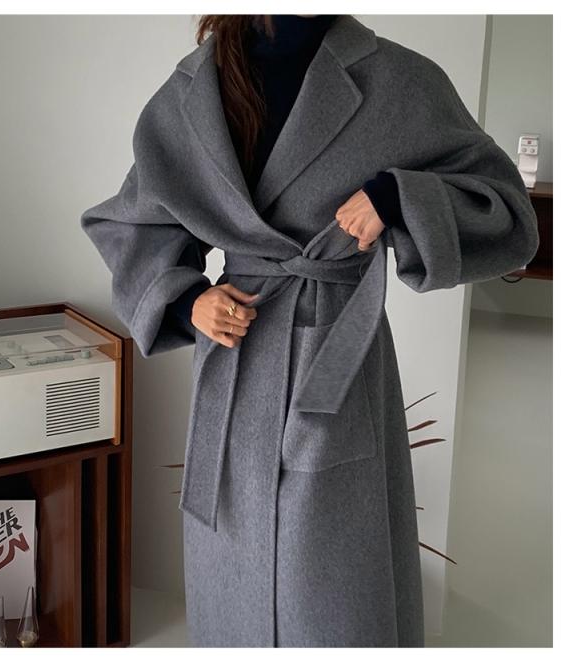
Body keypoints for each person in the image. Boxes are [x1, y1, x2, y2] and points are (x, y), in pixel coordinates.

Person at [81, 14, 539, 647]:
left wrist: (397, 198)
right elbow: (132, 221)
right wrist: (187, 299)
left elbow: (507, 212)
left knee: (333, 571)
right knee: (234, 556)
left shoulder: (397, 78)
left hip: (337, 350)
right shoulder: (197, 89)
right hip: (236, 353)